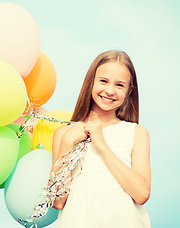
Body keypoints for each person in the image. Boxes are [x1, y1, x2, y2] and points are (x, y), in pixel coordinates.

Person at [51, 50, 151, 227]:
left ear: (129, 91)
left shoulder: (136, 133)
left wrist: (102, 145)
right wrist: (67, 143)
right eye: (103, 81)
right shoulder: (64, 134)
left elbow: (142, 193)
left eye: (119, 85)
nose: (110, 91)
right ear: (91, 82)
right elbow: (57, 201)